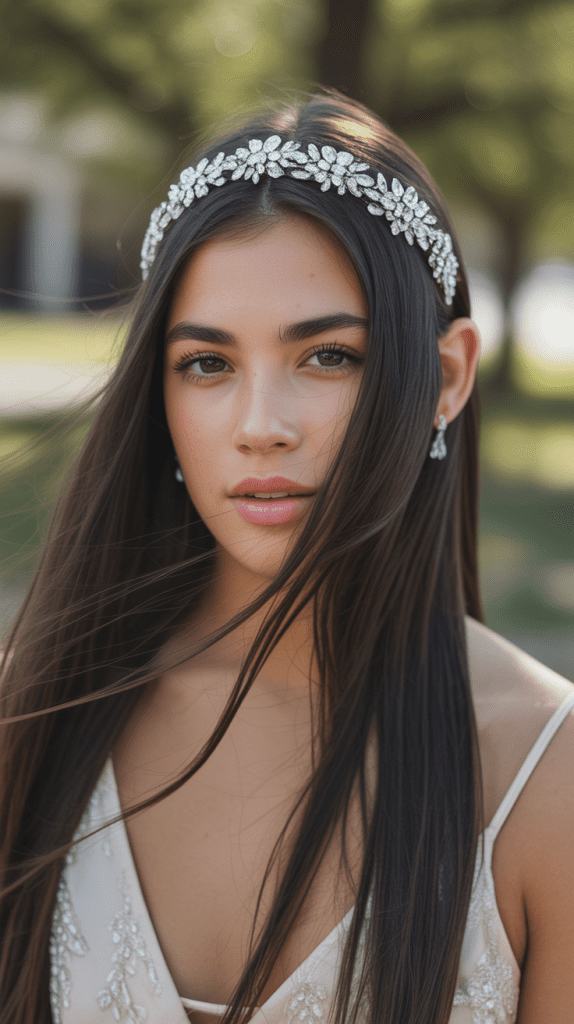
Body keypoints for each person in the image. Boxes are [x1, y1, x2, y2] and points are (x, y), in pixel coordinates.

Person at [1, 90, 573, 1024]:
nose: (259, 427)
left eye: (328, 357)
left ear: (447, 377)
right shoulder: (40, 712)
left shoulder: (546, 781)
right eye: (207, 364)